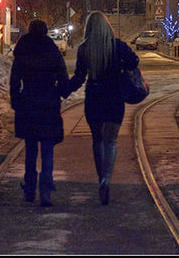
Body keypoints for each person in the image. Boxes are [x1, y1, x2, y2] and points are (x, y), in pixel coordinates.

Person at [67, 11, 139, 205]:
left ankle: (101, 180)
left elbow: (79, 77)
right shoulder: (118, 46)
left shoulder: (84, 49)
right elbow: (135, 61)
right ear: (107, 26)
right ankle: (107, 179)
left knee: (97, 141)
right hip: (114, 98)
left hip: (94, 98)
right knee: (111, 142)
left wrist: (63, 89)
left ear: (89, 28)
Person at [9, 19, 71, 206]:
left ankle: (29, 188)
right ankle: (45, 190)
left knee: (30, 149)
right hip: (48, 104)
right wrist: (64, 88)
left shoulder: (23, 50)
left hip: (28, 103)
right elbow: (62, 79)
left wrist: (16, 101)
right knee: (47, 149)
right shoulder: (51, 50)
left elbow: (14, 80)